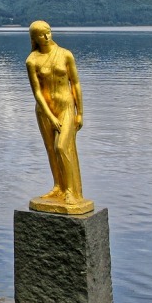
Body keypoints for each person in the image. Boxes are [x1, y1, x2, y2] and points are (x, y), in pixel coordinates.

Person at [25, 20, 92, 213]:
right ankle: (58, 187)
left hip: (66, 107)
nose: (47, 37)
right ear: (34, 38)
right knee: (51, 150)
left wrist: (80, 112)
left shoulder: (65, 55)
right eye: (42, 34)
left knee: (61, 146)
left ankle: (71, 190)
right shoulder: (32, 60)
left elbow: (75, 84)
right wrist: (49, 115)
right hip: (45, 110)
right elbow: (37, 92)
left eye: (49, 32)